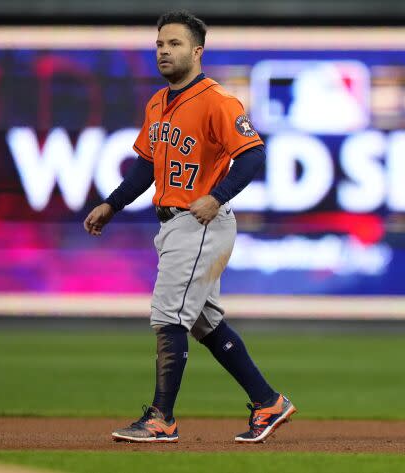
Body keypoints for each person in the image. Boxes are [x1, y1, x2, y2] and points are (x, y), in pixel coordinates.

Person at [83, 10, 296, 444]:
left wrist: (216, 196)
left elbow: (254, 155)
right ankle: (268, 401)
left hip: (201, 223)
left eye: (175, 43)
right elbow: (147, 165)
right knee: (203, 322)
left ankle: (162, 418)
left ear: (197, 51)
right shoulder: (157, 103)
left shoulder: (217, 100)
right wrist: (113, 204)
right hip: (174, 224)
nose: (164, 50)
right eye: (160, 43)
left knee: (167, 314)